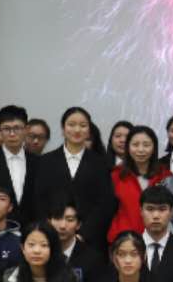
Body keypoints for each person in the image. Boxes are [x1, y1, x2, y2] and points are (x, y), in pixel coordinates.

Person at [33, 107, 117, 255]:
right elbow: (38, 199)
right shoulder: (45, 161)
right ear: (63, 128)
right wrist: (50, 230)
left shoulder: (101, 163)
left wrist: (84, 234)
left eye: (83, 125)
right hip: (50, 238)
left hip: (89, 241)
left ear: (89, 130)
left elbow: (105, 203)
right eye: (71, 125)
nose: (77, 130)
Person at [109, 124, 172, 243]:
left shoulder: (165, 175)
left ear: (154, 148)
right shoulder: (116, 175)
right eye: (135, 145)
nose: (141, 150)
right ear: (128, 147)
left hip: (156, 240)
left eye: (146, 145)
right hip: (123, 241)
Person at [46, 198, 104, 282]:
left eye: (70, 220)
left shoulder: (93, 259)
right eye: (58, 218)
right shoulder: (40, 253)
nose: (62, 226)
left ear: (78, 225)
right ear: (49, 222)